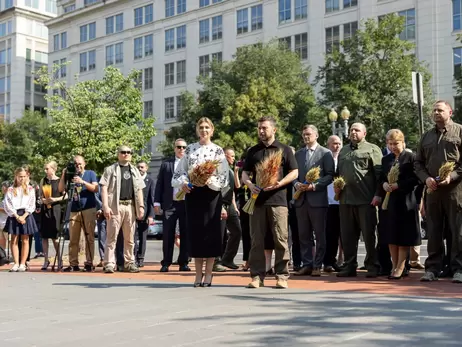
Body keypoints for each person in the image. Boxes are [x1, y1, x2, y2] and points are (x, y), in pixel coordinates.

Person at [242, 116, 298, 289]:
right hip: (257, 202)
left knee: (281, 239)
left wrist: (280, 183)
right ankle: (257, 276)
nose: (261, 131)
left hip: (278, 201)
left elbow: (294, 172)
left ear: (274, 130)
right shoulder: (253, 151)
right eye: (259, 128)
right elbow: (244, 173)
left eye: (264, 128)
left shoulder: (285, 149)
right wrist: (250, 185)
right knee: (256, 240)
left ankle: (282, 276)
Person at [172, 117, 229, 287]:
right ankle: (198, 274)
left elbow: (224, 176)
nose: (203, 130)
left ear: (212, 130)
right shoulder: (190, 149)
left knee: (210, 234)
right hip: (194, 195)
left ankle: (209, 273)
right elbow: (180, 172)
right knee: (195, 233)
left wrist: (209, 180)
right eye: (201, 127)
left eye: (207, 127)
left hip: (211, 195)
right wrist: (184, 182)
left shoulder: (218, 151)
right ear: (197, 130)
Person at [414, 100, 462, 283]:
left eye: (440, 110)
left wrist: (454, 176)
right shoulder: (426, 136)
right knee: (433, 230)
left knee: (457, 231)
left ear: (450, 112)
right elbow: (418, 163)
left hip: (455, 190)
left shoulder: (459, 131)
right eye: (434, 110)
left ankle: (458, 269)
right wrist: (425, 178)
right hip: (433, 190)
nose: (436, 113)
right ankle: (433, 268)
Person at [335, 123, 383, 278]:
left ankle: (372, 266)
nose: (353, 132)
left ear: (365, 133)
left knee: (369, 236)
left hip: (366, 200)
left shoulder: (372, 149)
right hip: (346, 200)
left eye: (356, 130)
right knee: (347, 236)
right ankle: (349, 266)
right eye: (351, 130)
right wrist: (337, 186)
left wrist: (378, 194)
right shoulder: (343, 151)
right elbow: (338, 174)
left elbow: (379, 175)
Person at [380, 129, 422, 279]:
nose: (393, 147)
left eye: (396, 143)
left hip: (406, 200)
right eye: (390, 144)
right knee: (391, 234)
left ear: (403, 142)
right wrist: (385, 184)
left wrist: (399, 185)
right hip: (390, 201)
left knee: (403, 235)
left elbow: (416, 178)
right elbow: (381, 177)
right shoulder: (386, 159)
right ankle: (394, 265)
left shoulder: (410, 157)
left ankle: (401, 266)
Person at [293, 125, 334, 277]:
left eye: (308, 134)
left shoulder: (325, 153)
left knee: (320, 234)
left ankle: (318, 265)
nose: (306, 137)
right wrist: (296, 183)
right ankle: (307, 264)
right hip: (301, 201)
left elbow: (330, 175)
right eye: (304, 134)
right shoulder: (298, 154)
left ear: (316, 135)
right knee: (303, 235)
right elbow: (293, 173)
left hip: (318, 200)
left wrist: (314, 186)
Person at [100, 145, 145, 274]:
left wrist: (141, 206)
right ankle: (109, 263)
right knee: (111, 237)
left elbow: (140, 189)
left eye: (128, 152)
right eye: (123, 152)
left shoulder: (135, 170)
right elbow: (103, 187)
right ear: (118, 154)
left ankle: (129, 263)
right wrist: (105, 206)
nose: (126, 154)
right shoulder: (110, 169)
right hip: (115, 206)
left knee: (130, 238)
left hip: (130, 206)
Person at [155, 138, 190, 272]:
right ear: (174, 148)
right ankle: (166, 262)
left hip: (186, 203)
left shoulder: (191, 164)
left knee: (186, 233)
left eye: (183, 147)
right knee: (168, 234)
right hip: (170, 204)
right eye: (179, 147)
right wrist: (157, 202)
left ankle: (184, 262)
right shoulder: (166, 164)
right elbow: (160, 184)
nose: (181, 149)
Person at [58, 155, 99, 272]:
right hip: (74, 209)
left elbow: (96, 188)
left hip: (88, 208)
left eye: (80, 164)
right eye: (76, 164)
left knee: (89, 237)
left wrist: (83, 182)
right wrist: (64, 175)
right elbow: (61, 189)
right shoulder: (70, 175)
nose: (78, 166)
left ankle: (89, 263)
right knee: (73, 238)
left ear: (84, 164)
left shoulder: (90, 173)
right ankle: (73, 263)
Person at [4, 167, 38, 272]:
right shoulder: (10, 189)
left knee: (25, 239)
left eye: (24, 176)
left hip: (26, 214)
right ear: (16, 177)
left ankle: (23, 263)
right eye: (20, 177)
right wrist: (17, 216)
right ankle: (16, 263)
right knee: (14, 239)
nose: (22, 179)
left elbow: (32, 203)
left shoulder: (30, 189)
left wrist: (24, 216)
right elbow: (7, 203)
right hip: (15, 215)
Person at [219, 147, 243, 270]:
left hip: (230, 204)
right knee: (220, 234)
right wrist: (220, 207)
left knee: (237, 231)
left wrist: (234, 205)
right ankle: (216, 261)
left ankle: (227, 259)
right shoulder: (219, 168)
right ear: (224, 155)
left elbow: (235, 188)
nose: (233, 158)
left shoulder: (231, 171)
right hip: (221, 204)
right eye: (231, 156)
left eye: (234, 156)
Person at [39, 161, 65, 271]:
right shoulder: (43, 180)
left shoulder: (59, 180)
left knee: (55, 236)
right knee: (44, 236)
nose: (45, 171)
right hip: (45, 209)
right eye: (45, 169)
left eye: (47, 168)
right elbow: (40, 195)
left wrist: (55, 199)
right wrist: (43, 200)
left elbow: (65, 194)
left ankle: (59, 259)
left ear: (53, 169)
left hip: (56, 209)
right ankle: (46, 260)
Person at [324, 135, 342, 272]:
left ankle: (344, 261)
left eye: (339, 143)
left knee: (345, 234)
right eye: (334, 143)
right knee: (331, 234)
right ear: (328, 144)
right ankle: (329, 261)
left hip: (343, 201)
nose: (336, 146)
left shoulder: (344, 158)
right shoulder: (324, 157)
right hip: (328, 201)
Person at [134, 161, 155, 268]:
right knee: (133, 237)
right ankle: (133, 258)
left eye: (142, 167)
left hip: (145, 213)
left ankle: (141, 258)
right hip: (133, 212)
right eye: (138, 167)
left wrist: (151, 215)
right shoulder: (133, 180)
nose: (140, 169)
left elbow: (152, 199)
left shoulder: (150, 180)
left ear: (146, 168)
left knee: (142, 237)